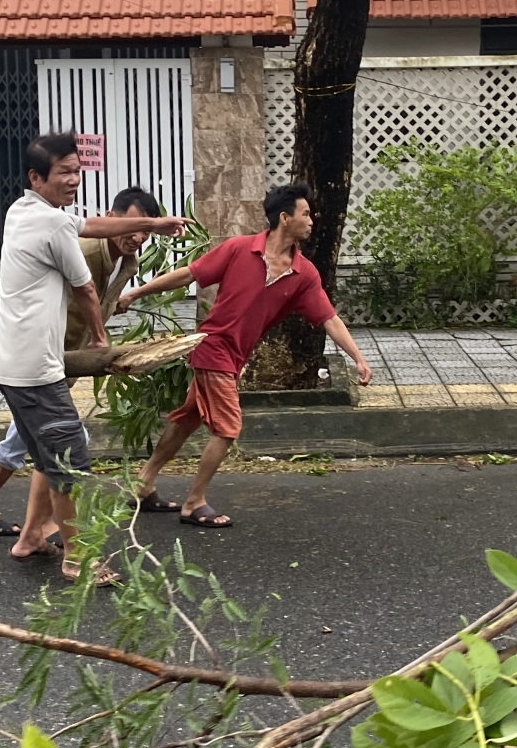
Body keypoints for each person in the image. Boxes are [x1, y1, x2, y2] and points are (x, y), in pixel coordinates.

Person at [0, 136, 183, 582]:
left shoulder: (22, 211)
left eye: (76, 170)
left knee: (48, 458)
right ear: (36, 178)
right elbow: (85, 287)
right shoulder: (54, 227)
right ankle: (77, 558)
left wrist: (156, 223)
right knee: (71, 462)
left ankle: (31, 536)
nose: (73, 180)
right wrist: (102, 337)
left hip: (15, 366)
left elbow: (87, 224)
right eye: (63, 172)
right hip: (39, 366)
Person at [118, 182, 373, 528]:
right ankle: (194, 503)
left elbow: (329, 319)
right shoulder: (238, 249)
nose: (311, 220)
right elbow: (187, 276)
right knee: (227, 428)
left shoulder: (303, 274)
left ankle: (142, 482)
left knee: (187, 420)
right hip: (212, 347)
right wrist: (136, 294)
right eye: (305, 214)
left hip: (235, 355)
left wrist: (358, 357)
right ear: (284, 218)